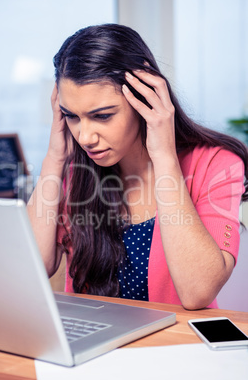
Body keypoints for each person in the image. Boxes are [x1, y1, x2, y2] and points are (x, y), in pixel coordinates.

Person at [27, 23, 248, 310]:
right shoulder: (75, 172)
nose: (85, 137)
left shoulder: (216, 164)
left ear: (143, 96)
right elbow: (35, 269)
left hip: (175, 348)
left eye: (102, 116)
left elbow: (197, 292)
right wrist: (54, 158)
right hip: (94, 348)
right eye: (72, 116)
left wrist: (165, 157)